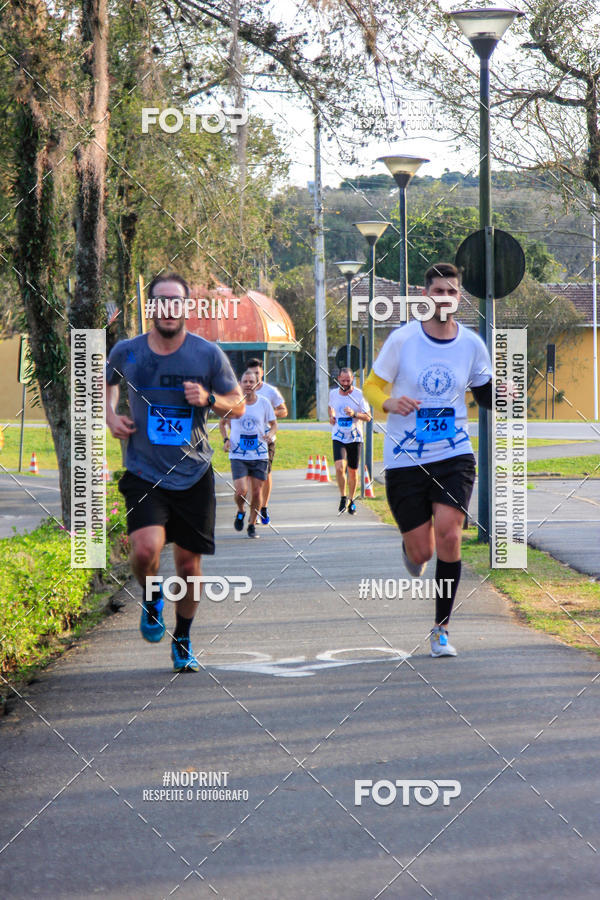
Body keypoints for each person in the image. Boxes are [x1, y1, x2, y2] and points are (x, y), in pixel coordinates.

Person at [105, 273, 244, 672]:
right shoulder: (127, 352)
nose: (168, 308)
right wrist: (110, 416)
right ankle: (151, 598)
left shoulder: (207, 355)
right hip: (144, 471)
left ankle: (182, 637)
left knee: (188, 566)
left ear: (186, 307)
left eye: (176, 301)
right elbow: (106, 385)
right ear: (151, 307)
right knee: (144, 550)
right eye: (161, 301)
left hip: (193, 473)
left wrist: (210, 398)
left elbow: (239, 406)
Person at [363, 262, 492, 658]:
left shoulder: (471, 344)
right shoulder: (403, 340)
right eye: (438, 291)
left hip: (454, 454)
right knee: (423, 552)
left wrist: (504, 393)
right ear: (426, 296)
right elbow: (371, 385)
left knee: (450, 534)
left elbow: (485, 395)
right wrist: (388, 402)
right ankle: (410, 550)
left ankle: (441, 630)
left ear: (459, 298)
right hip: (406, 459)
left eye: (452, 292)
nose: (445, 298)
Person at [220, 369, 277, 538]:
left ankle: (252, 524)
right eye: (245, 382)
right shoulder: (233, 403)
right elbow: (222, 424)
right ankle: (240, 510)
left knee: (258, 492)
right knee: (241, 491)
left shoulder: (264, 403)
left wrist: (271, 434)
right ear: (240, 384)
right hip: (238, 454)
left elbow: (274, 424)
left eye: (251, 382)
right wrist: (226, 440)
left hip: (259, 454)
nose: (248, 385)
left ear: (257, 384)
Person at [245, 357, 288, 524]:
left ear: (262, 373)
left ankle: (264, 507)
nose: (254, 376)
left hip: (267, 439)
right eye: (251, 373)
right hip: (248, 439)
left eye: (257, 373)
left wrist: (269, 414)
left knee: (265, 474)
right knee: (249, 477)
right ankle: (253, 510)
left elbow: (283, 410)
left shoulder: (270, 391)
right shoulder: (242, 390)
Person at [328, 367, 371, 514]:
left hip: (355, 437)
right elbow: (331, 408)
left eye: (348, 380)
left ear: (352, 379)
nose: (345, 383)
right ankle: (342, 496)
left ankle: (352, 500)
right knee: (339, 468)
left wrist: (354, 414)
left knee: (352, 472)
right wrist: (331, 416)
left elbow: (368, 417)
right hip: (338, 436)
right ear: (338, 379)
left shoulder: (359, 395)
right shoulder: (333, 394)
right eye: (343, 380)